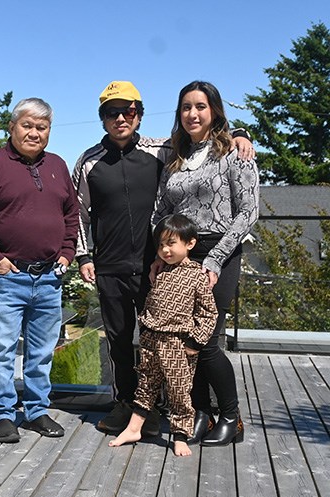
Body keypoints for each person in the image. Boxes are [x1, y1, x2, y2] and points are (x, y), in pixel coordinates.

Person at [71, 81, 253, 437]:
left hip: (159, 265)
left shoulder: (163, 150)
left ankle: (185, 409)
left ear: (139, 114)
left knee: (176, 339)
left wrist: (241, 133)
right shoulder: (88, 160)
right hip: (110, 265)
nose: (121, 118)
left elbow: (203, 136)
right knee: (120, 340)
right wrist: (82, 254)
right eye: (112, 112)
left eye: (129, 111)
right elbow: (78, 213)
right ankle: (127, 404)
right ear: (102, 118)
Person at [0, 97, 80, 443]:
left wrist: (67, 253)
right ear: (12, 127)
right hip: (8, 276)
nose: (34, 132)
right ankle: (2, 414)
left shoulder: (58, 166)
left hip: (49, 277)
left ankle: (36, 411)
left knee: (42, 351)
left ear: (49, 132)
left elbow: (71, 215)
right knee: (2, 349)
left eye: (41, 127)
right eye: (27, 125)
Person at [152, 80, 259, 446]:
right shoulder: (176, 158)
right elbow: (161, 212)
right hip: (181, 254)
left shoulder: (234, 153)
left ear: (213, 110)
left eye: (200, 106)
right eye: (185, 107)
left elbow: (248, 212)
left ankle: (231, 417)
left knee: (207, 341)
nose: (192, 114)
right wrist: (159, 255)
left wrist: (214, 260)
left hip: (221, 253)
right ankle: (200, 413)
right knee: (183, 338)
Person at [109, 214, 217, 456]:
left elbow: (209, 313)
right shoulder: (159, 271)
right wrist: (146, 328)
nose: (165, 250)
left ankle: (180, 435)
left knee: (179, 390)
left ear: (190, 243)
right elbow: (152, 302)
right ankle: (134, 428)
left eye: (172, 243)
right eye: (161, 245)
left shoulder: (197, 275)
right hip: (152, 338)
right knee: (146, 385)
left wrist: (196, 341)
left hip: (178, 342)